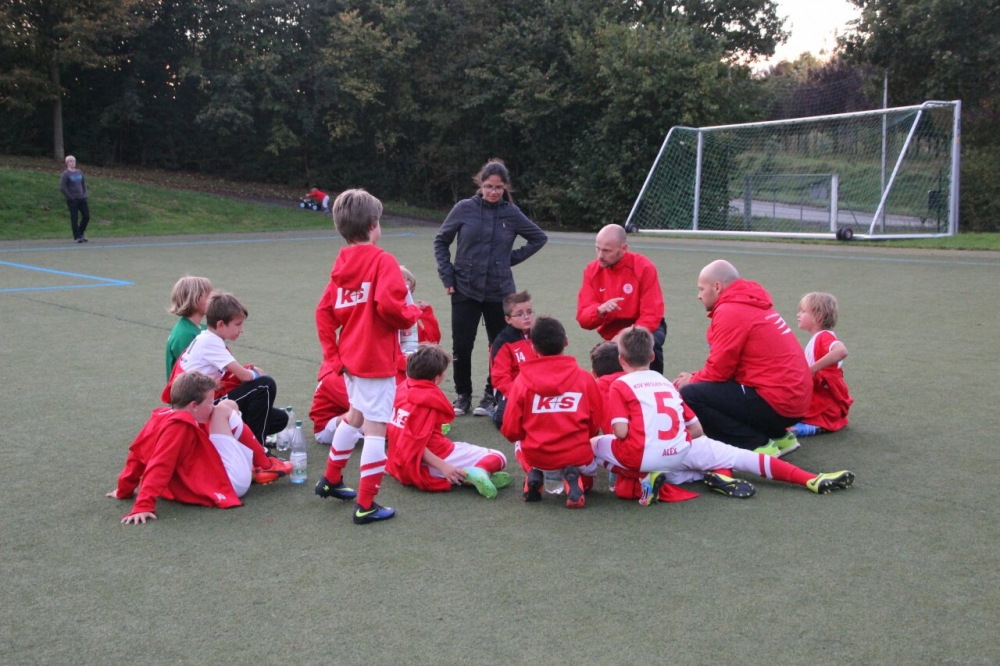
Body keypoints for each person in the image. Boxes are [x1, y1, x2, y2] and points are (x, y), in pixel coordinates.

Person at [592, 327, 855, 507]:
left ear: (621, 358)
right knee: (745, 457)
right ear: (652, 356)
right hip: (683, 446)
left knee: (592, 447)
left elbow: (621, 433)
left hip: (643, 455)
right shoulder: (664, 382)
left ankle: (640, 483)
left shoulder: (614, 384)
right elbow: (695, 430)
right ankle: (809, 478)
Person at [313, 189, 421, 525]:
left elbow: (324, 312)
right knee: (376, 428)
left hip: (351, 359)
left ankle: (330, 480)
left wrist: (333, 355)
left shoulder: (342, 263)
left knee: (355, 416)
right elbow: (390, 306)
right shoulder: (382, 260)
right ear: (374, 225)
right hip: (374, 359)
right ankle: (366, 505)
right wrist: (411, 312)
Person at [433, 158, 548, 418]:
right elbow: (441, 241)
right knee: (462, 345)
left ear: (505, 186)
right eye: (488, 186)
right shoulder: (464, 209)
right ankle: (462, 396)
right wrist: (448, 276)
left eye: (498, 187)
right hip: (465, 288)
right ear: (480, 184)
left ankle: (490, 394)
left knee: (499, 345)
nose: (493, 192)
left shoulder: (511, 213)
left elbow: (539, 237)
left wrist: (510, 259)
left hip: (500, 291)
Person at [107, 372, 292, 524]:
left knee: (228, 405)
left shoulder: (161, 416)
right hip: (230, 483)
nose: (211, 407)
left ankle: (261, 463)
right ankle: (265, 464)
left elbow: (137, 456)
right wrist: (143, 505)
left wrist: (124, 489)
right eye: (209, 402)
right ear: (193, 405)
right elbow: (160, 464)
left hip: (207, 479)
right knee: (223, 410)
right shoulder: (178, 427)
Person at [674, 260, 811, 457]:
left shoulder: (730, 310)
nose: (698, 295)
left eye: (701, 289)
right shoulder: (751, 301)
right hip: (795, 400)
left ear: (717, 287)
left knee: (690, 394)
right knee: (720, 389)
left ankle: (757, 445)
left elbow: (717, 372)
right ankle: (780, 436)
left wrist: (691, 380)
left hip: (780, 402)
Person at [500, 316, 602, 508]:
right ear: (566, 341)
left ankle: (533, 472)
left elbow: (511, 430)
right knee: (589, 476)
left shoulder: (521, 382)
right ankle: (575, 478)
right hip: (578, 455)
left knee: (518, 443)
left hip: (538, 456)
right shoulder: (585, 378)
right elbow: (595, 423)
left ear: (533, 347)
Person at [163, 291, 289, 446]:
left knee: (279, 419)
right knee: (265, 384)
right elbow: (245, 377)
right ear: (221, 324)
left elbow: (233, 374)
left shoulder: (206, 337)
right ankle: (257, 449)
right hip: (201, 406)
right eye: (237, 324)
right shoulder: (210, 341)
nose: (241, 329)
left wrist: (251, 371)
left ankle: (240, 440)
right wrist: (255, 373)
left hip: (201, 402)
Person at [386, 344, 512, 497]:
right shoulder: (426, 399)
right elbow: (415, 444)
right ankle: (480, 472)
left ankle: (469, 477)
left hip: (402, 460)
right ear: (438, 376)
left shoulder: (402, 388)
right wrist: (444, 466)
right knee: (498, 457)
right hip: (432, 459)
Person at [576, 223, 667, 374]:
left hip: (645, 327)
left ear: (623, 249)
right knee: (605, 359)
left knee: (645, 345)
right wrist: (598, 310)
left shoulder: (644, 267)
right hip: (612, 333)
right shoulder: (592, 271)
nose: (600, 255)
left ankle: (654, 382)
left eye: (606, 251)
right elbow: (583, 318)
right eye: (597, 248)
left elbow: (651, 315)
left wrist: (624, 337)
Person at [793, 292, 853, 436]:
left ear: (818, 316)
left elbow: (841, 351)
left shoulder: (824, 337)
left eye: (803, 311)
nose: (798, 315)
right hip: (818, 398)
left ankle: (816, 426)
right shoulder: (817, 338)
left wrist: (812, 369)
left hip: (824, 402)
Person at [488, 290, 538, 430]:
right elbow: (500, 379)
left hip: (539, 387)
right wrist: (522, 395)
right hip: (515, 390)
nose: (527, 317)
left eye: (529, 312)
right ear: (508, 319)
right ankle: (498, 407)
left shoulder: (540, 334)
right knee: (505, 422)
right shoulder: (502, 342)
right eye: (520, 314)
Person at [165, 276, 213, 381]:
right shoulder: (184, 334)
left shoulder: (202, 328)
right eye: (208, 296)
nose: (212, 300)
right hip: (189, 394)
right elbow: (189, 374)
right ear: (195, 299)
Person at [400, 266, 441, 344]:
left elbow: (431, 341)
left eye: (410, 292)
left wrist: (426, 313)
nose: (409, 296)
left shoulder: (412, 315)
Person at [59, 155, 90, 243]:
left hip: (82, 198)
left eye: (74, 161)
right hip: (73, 199)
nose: (73, 163)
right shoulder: (66, 174)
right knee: (74, 217)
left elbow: (83, 184)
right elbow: (62, 187)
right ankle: (77, 237)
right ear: (67, 163)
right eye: (71, 161)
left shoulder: (79, 172)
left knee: (86, 216)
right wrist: (70, 197)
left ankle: (81, 232)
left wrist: (84, 194)